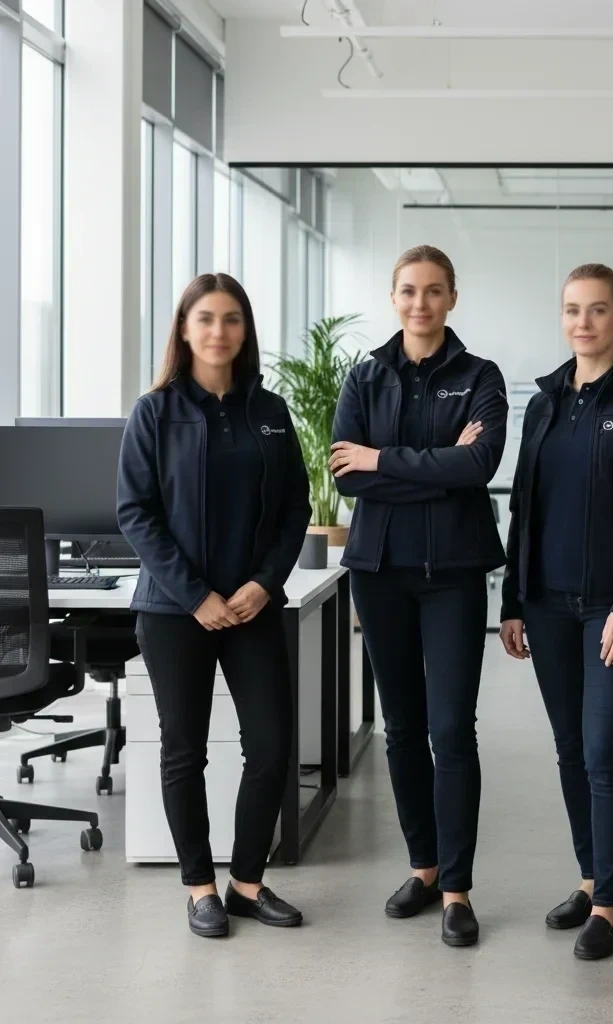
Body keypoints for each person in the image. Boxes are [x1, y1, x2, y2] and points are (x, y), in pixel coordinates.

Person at [117, 273, 312, 938]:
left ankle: (248, 885)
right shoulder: (155, 412)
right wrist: (195, 594)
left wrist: (264, 581)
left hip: (254, 607)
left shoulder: (270, 412)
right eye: (205, 319)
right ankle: (199, 888)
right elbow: (135, 513)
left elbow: (294, 509)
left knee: (271, 745)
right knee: (185, 751)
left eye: (232, 319)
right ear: (184, 329)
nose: (219, 331)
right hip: (177, 613)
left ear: (244, 330)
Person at [499, 264, 613, 961]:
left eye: (597, 310)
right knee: (570, 748)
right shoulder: (543, 406)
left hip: (611, 609)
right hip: (544, 606)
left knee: (604, 750)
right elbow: (522, 508)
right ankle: (588, 877)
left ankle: (609, 906)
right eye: (573, 309)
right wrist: (513, 599)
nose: (583, 322)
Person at [329, 245, 507, 948]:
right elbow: (347, 475)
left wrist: (386, 460)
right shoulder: (366, 376)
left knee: (450, 730)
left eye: (434, 292)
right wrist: (439, 468)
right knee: (401, 729)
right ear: (394, 296)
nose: (420, 303)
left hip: (455, 575)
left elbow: (481, 464)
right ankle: (424, 868)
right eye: (409, 291)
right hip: (380, 573)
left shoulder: (480, 376)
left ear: (452, 298)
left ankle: (459, 890)